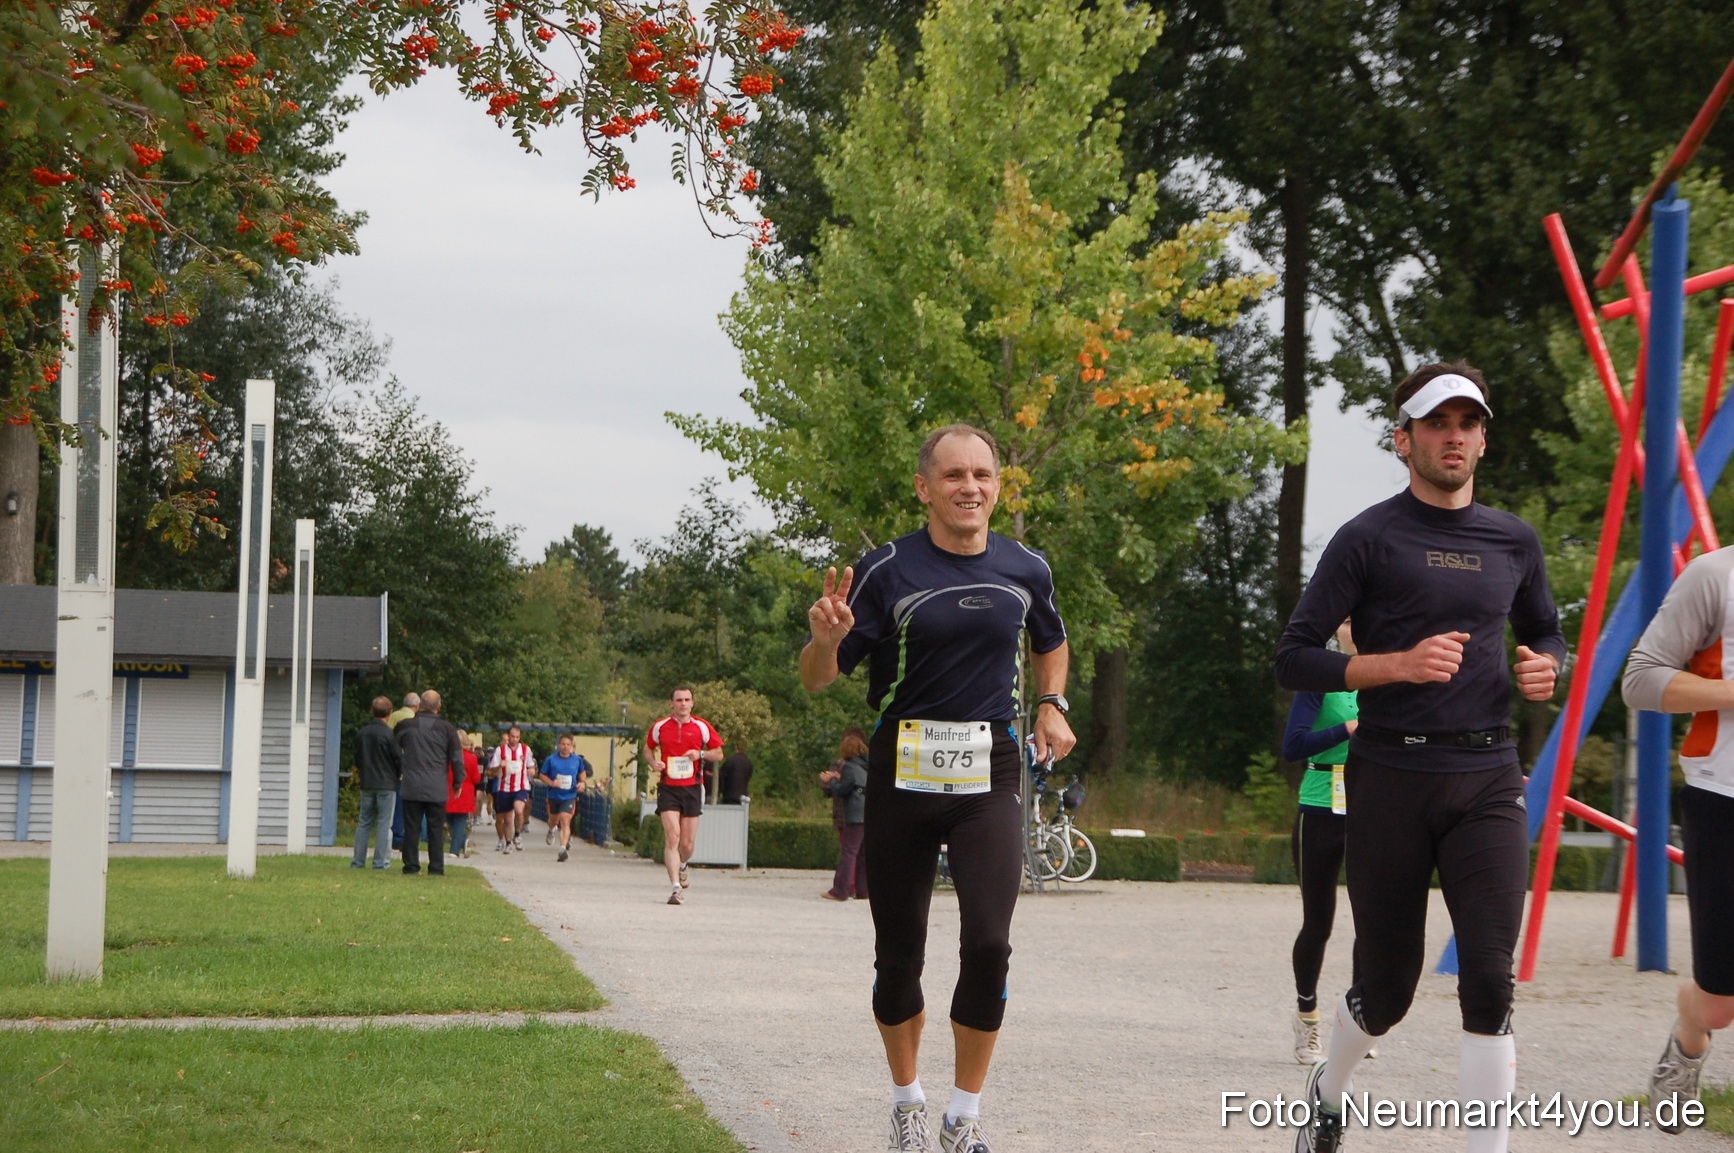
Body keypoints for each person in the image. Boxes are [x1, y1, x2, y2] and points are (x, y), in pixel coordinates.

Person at [1276, 364, 1565, 1153]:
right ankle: (1327, 1094)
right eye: (1438, 423)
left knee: (1489, 979)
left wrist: (1548, 665)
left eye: (1469, 422)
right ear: (1403, 438)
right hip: (1392, 775)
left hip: (1487, 773)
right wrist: (1392, 665)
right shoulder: (1368, 536)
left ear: (1482, 438)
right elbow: (1293, 656)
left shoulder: (1514, 539)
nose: (1455, 436)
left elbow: (1545, 631)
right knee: (1388, 990)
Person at [800, 423, 1075, 1153]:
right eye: (954, 475)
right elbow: (818, 676)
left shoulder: (1027, 568)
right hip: (903, 772)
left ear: (997, 484)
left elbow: (1051, 640)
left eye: (983, 475)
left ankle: (963, 1116)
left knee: (989, 943)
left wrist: (1053, 702)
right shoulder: (886, 569)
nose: (971, 487)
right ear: (925, 488)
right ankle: (907, 1103)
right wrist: (825, 639)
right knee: (900, 954)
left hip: (990, 772)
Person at [1622, 543, 1734, 1131]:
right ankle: (1689, 1040)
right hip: (1724, 799)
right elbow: (1640, 681)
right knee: (1720, 1002)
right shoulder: (1717, 574)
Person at [1281, 622, 1359, 1065]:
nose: (1355, 626)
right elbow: (1293, 746)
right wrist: (1346, 728)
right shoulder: (1321, 679)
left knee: (1372, 922)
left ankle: (1357, 1023)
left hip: (1370, 807)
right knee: (1319, 921)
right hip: (1320, 807)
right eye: (1347, 620)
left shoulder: (1388, 677)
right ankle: (1307, 1020)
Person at [646, 687, 724, 905]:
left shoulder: (702, 726)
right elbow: (648, 749)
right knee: (672, 836)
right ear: (671, 703)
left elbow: (718, 753)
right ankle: (675, 888)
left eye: (687, 700)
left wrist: (700, 754)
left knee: (687, 845)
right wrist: (653, 763)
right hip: (668, 787)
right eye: (679, 700)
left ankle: (683, 864)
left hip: (693, 787)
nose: (683, 703)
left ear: (692, 703)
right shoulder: (660, 727)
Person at [394, 689, 466, 877]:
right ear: (439, 706)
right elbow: (457, 759)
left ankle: (410, 866)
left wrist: (398, 770)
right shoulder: (448, 729)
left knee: (411, 828)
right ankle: (436, 867)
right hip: (436, 787)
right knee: (435, 829)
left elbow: (393, 750)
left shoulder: (405, 726)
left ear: (420, 705)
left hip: (411, 785)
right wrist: (458, 782)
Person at [820, 725, 870, 902]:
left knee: (849, 852)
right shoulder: (866, 766)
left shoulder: (849, 767)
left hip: (855, 814)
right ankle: (863, 890)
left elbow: (842, 791)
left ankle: (840, 891)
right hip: (868, 812)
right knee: (863, 853)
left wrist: (832, 779)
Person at [351, 695, 402, 870]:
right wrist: (397, 775)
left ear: (372, 711)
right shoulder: (389, 734)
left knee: (363, 822)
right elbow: (397, 759)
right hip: (386, 783)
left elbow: (357, 757)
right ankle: (380, 862)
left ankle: (358, 861)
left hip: (367, 782)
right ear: (390, 712)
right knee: (384, 824)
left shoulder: (362, 733)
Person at [537, 733, 590, 863]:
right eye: (563, 744)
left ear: (572, 746)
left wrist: (582, 783)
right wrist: (551, 783)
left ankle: (562, 849)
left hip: (569, 795)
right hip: (554, 795)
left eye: (568, 745)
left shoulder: (577, 760)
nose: (565, 747)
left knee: (565, 820)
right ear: (558, 745)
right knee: (554, 820)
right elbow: (542, 775)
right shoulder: (551, 759)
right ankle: (551, 829)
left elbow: (582, 774)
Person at [488, 725, 536, 852]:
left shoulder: (526, 750)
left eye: (517, 737)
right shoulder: (500, 751)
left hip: (521, 786)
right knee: (507, 819)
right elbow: (491, 771)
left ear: (520, 737)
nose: (514, 739)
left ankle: (518, 834)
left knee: (519, 809)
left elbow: (532, 767)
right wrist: (499, 766)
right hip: (504, 788)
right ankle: (508, 842)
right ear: (508, 736)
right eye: (512, 736)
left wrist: (531, 771)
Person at [446, 729, 483, 858]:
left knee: (450, 818)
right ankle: (463, 841)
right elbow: (476, 778)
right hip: (466, 792)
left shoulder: (447, 756)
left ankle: (454, 849)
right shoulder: (471, 758)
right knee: (460, 820)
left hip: (449, 790)